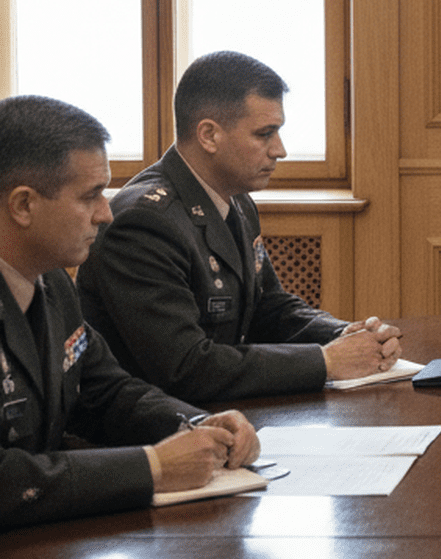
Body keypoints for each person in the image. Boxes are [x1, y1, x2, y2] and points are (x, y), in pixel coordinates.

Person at [76, 51, 402, 402]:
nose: (280, 150)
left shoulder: (235, 199)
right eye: (265, 134)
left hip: (223, 408)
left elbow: (268, 307)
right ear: (209, 135)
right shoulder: (143, 223)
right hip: (161, 430)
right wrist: (325, 361)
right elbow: (185, 367)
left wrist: (343, 335)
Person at [0, 95, 260, 530]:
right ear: (23, 205)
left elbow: (104, 391)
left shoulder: (52, 281)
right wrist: (152, 467)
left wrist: (195, 426)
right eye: (90, 197)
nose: (106, 213)